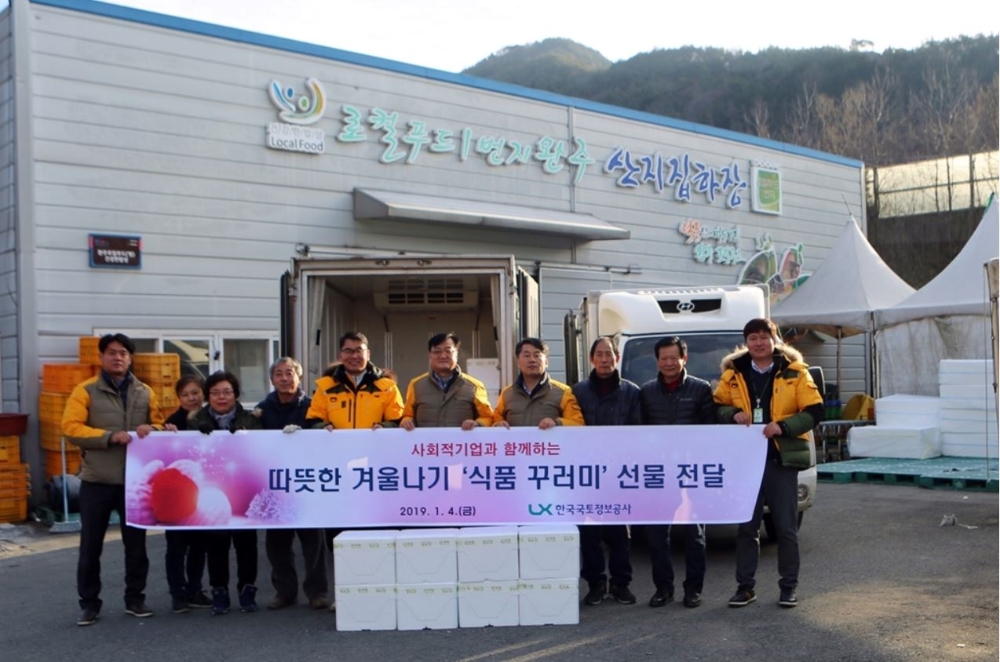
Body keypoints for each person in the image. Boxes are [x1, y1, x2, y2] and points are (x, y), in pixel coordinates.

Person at [714, 318, 823, 609]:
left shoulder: (796, 372)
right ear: (745, 343)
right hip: (745, 464)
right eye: (753, 338)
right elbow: (716, 407)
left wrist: (783, 427)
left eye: (764, 337)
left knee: (786, 528)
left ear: (775, 339)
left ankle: (789, 588)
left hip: (780, 460)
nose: (759, 343)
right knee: (746, 529)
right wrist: (732, 414)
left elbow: (815, 410)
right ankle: (745, 588)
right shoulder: (732, 375)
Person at [62, 333, 164, 626]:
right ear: (102, 357)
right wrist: (107, 437)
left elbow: (159, 423)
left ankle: (135, 599)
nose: (117, 357)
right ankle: (89, 604)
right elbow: (70, 427)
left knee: (136, 546)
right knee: (90, 546)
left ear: (131, 358)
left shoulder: (146, 391)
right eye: (111, 353)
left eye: (123, 353)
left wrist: (152, 428)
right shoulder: (86, 390)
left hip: (134, 483)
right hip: (97, 480)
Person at [640, 336, 716, 609]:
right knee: (656, 536)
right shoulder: (646, 392)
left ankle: (693, 590)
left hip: (690, 473)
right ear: (657, 361)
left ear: (684, 359)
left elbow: (710, 430)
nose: (669, 363)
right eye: (664, 358)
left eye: (674, 357)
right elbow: (637, 434)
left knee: (695, 536)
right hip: (658, 475)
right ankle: (663, 588)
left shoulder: (701, 389)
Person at [571, 336, 641, 606]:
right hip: (587, 474)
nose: (604, 359)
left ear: (617, 358)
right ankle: (596, 584)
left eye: (609, 354)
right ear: (591, 359)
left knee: (620, 534)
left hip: (619, 473)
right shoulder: (578, 391)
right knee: (589, 534)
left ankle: (621, 584)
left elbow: (637, 432)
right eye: (599, 354)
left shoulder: (631, 391)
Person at [256, 358, 330, 611]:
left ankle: (317, 592)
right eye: (279, 374)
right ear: (272, 379)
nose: (284, 378)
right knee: (277, 543)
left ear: (299, 378)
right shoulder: (262, 409)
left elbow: (324, 437)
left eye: (290, 373)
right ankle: (284, 593)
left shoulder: (313, 406)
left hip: (308, 483)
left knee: (313, 543)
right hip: (275, 486)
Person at [189, 371, 263, 615]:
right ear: (208, 396)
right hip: (211, 493)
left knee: (246, 544)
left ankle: (247, 590)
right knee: (216, 545)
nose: (222, 397)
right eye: (215, 392)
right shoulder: (193, 421)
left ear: (236, 394)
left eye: (227, 392)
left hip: (243, 490)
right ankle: (219, 590)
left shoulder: (252, 419)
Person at [162, 375, 211, 613]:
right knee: (176, 546)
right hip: (177, 493)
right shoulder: (172, 423)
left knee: (199, 545)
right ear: (178, 398)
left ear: (203, 394)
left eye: (195, 393)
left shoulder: (211, 418)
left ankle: (195, 590)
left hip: (204, 491)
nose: (191, 398)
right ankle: (177, 594)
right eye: (186, 394)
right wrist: (164, 433)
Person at [305, 332, 404, 430]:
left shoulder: (387, 387)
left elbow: (397, 420)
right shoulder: (326, 387)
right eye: (348, 351)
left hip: (374, 445)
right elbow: (314, 420)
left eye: (359, 350)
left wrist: (384, 427)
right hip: (337, 445)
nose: (354, 356)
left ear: (368, 354)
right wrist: (323, 427)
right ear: (340, 355)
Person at [400, 332, 494, 431]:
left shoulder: (474, 386)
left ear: (456, 354)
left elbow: (488, 417)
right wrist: (406, 421)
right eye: (437, 351)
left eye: (448, 351)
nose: (443, 355)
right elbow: (407, 415)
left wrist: (477, 423)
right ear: (430, 356)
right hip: (427, 445)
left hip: (460, 445)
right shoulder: (416, 385)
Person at [492, 337, 584, 428]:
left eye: (537, 355)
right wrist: (498, 424)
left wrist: (557, 423)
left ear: (547, 362)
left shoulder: (563, 392)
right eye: (526, 355)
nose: (532, 360)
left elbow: (577, 423)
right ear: (518, 363)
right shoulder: (506, 393)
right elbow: (494, 420)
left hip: (548, 443)